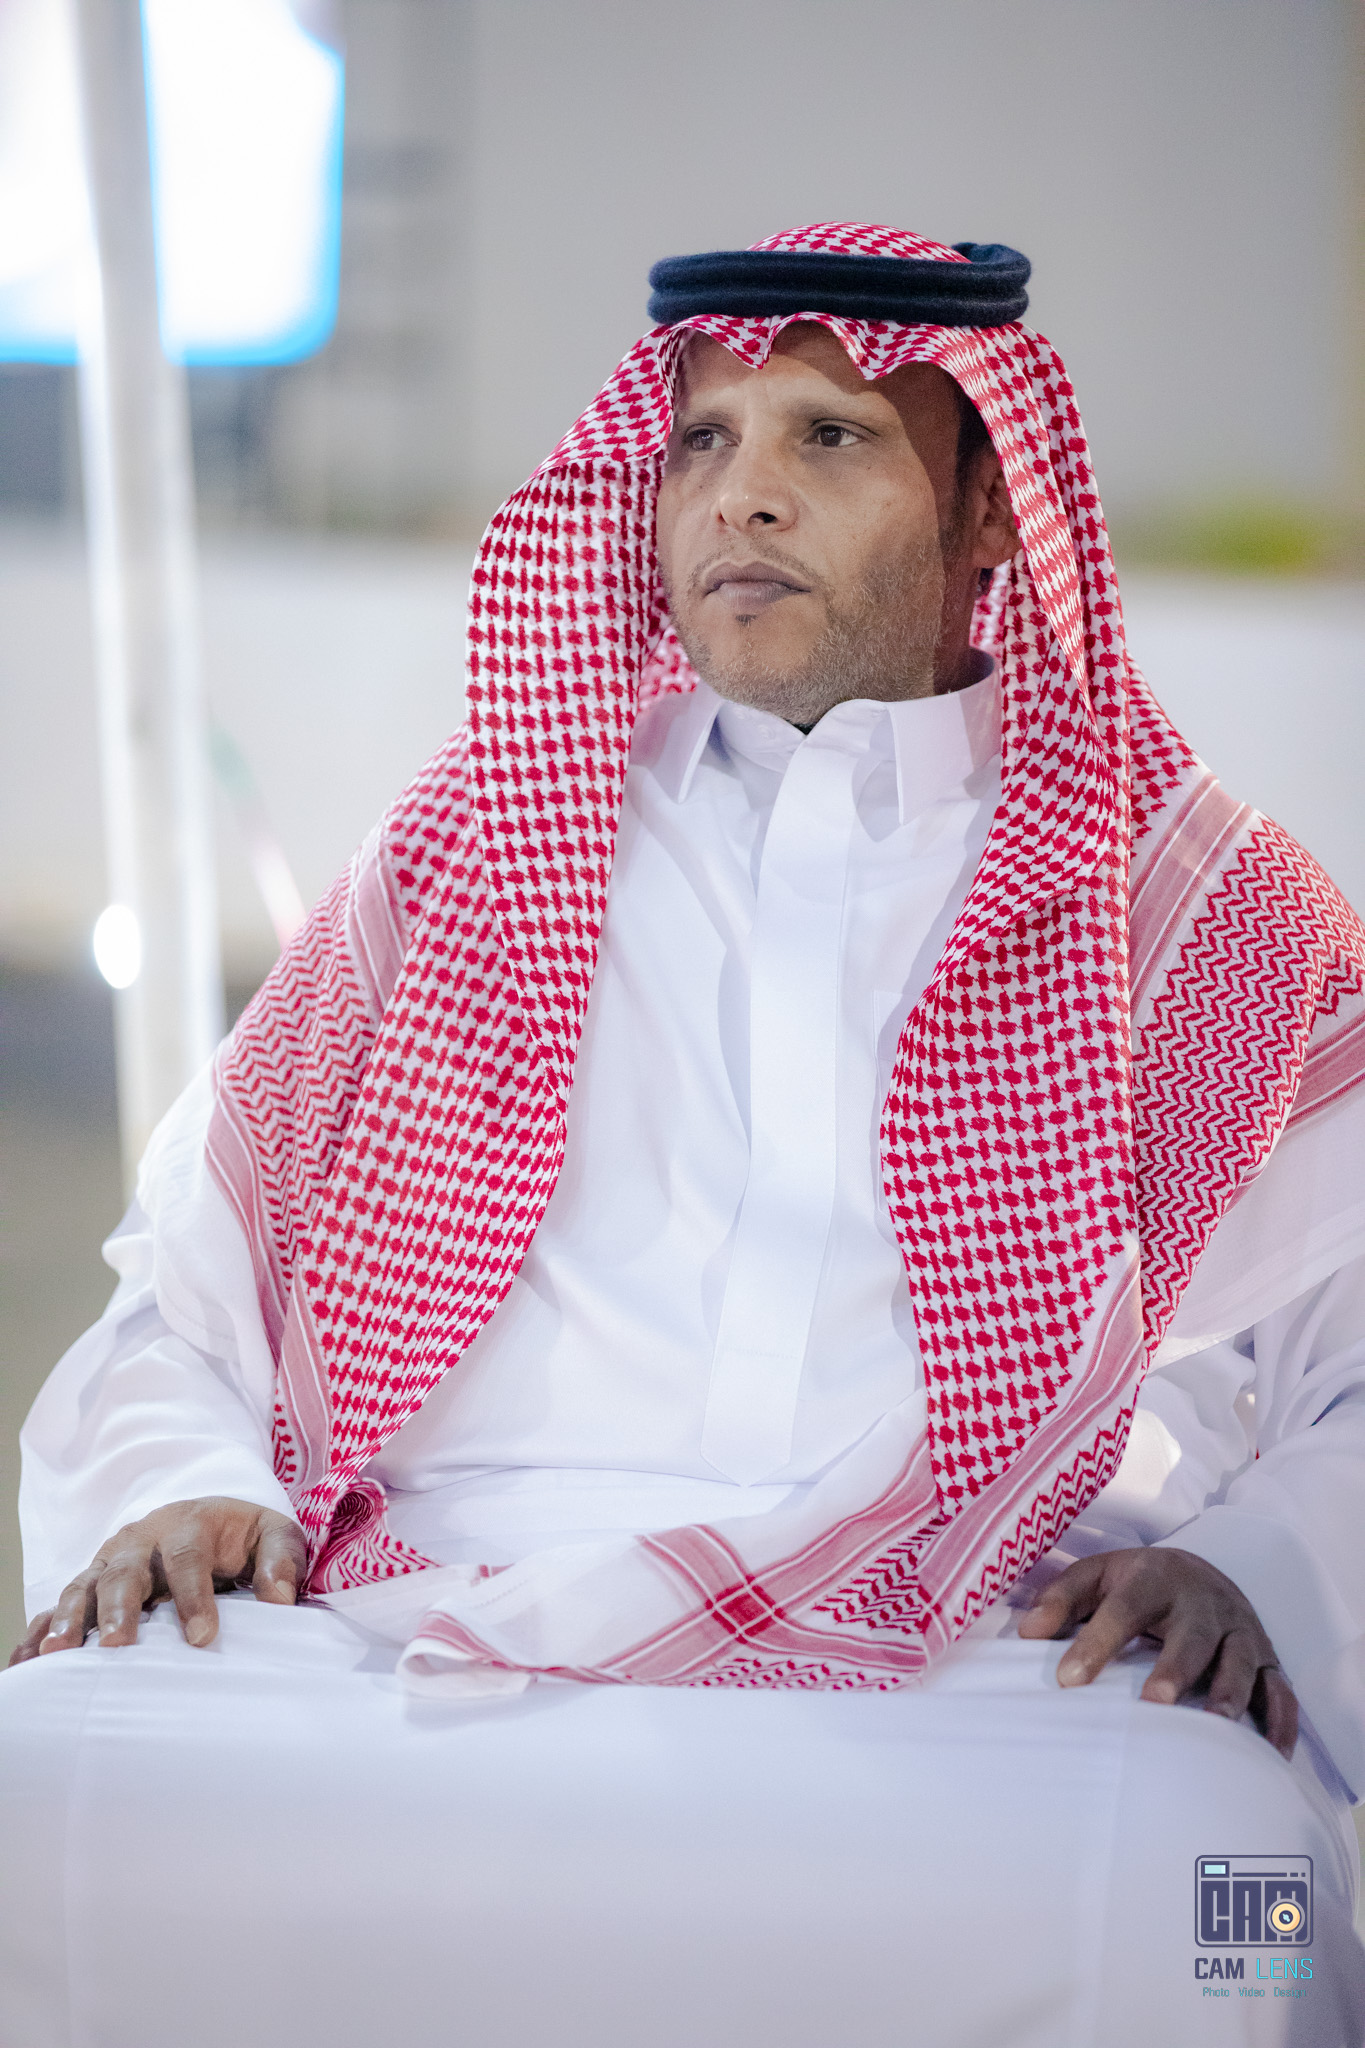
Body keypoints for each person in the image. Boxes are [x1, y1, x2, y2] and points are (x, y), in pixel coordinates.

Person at [4, 222, 1365, 2047]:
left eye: (830, 438)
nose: (746, 496)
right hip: (420, 1623)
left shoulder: (1203, 915)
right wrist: (181, 1477)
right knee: (46, 1783)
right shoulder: (478, 852)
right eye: (705, 441)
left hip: (975, 1662)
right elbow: (188, 1284)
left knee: (1214, 1886)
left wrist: (1255, 1570)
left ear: (991, 513)